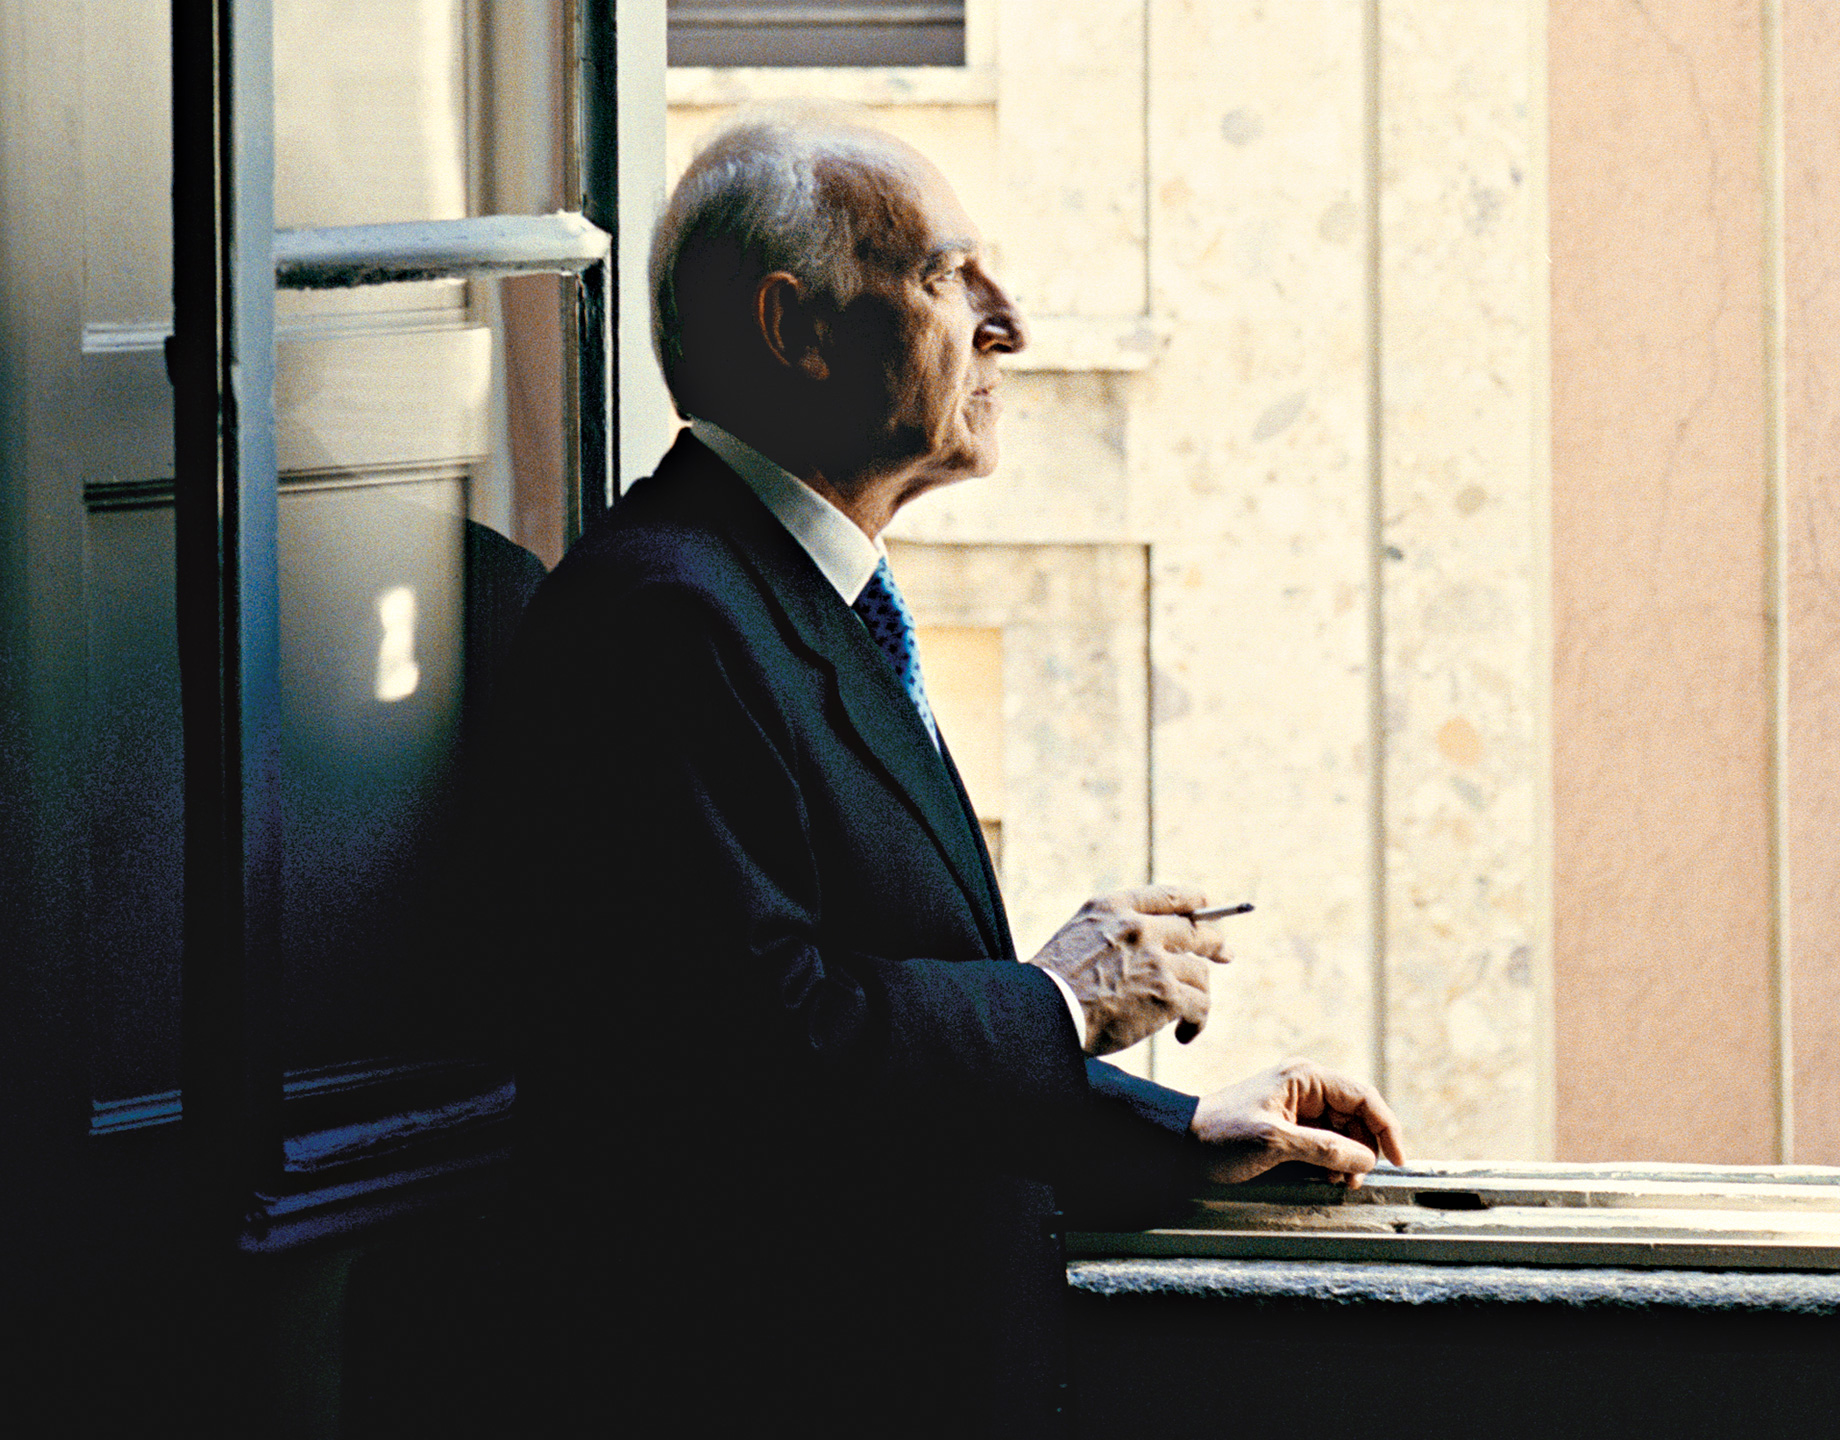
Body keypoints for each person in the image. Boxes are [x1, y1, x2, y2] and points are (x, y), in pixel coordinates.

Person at [481, 110, 1404, 1436]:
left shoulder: (792, 599)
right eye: (946, 277)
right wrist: (1063, 1000)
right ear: (795, 327)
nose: (1006, 324)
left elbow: (873, 1033)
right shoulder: (664, 620)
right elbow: (756, 1056)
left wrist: (1176, 1130)